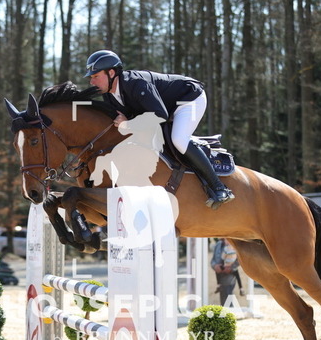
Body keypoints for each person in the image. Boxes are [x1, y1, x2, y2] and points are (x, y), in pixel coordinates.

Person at [85, 49, 234, 209]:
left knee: (178, 140)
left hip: (188, 99)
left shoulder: (135, 83)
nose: (91, 82)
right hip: (166, 107)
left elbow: (159, 115)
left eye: (95, 76)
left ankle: (219, 188)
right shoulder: (108, 94)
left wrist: (129, 125)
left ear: (111, 73)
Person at [210, 238, 244, 306]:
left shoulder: (233, 243)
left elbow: (240, 259)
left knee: (228, 295)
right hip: (220, 276)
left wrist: (231, 267)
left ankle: (241, 289)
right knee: (223, 298)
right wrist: (215, 266)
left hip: (230, 275)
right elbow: (213, 260)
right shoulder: (218, 244)